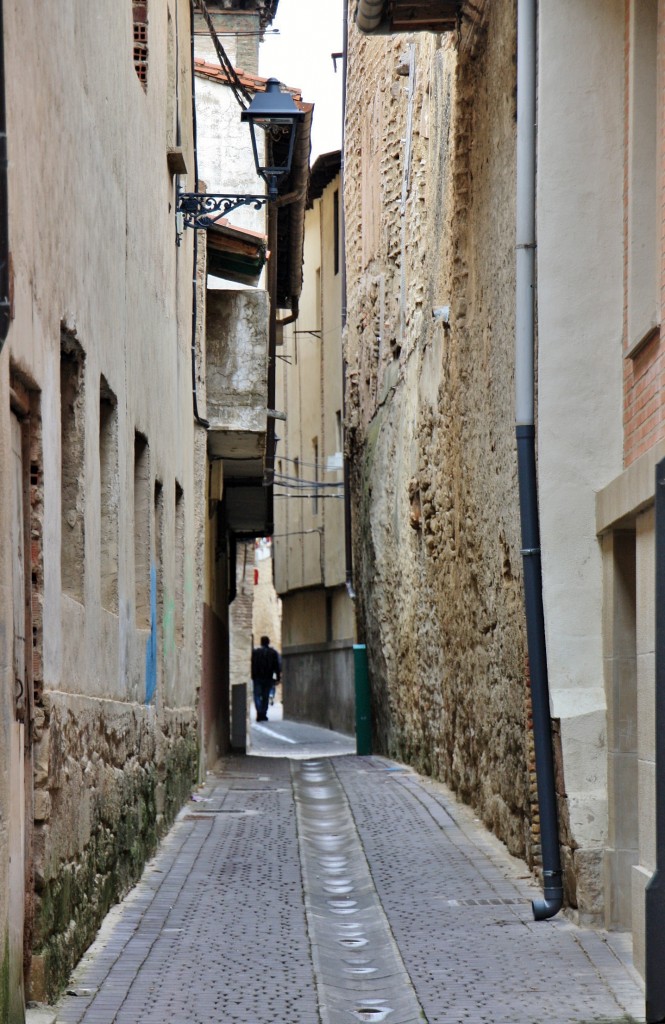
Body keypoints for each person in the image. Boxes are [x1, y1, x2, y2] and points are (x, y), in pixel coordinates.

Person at [251, 635, 281, 722]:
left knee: (257, 696)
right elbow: (277, 666)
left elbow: (252, 665)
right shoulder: (273, 653)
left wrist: (253, 676)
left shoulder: (256, 652)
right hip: (268, 677)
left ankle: (259, 712)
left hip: (257, 677)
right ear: (268, 642)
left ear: (261, 642)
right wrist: (278, 677)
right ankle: (263, 713)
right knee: (265, 696)